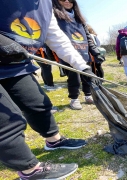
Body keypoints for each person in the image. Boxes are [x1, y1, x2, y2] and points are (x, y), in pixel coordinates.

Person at [0, 0, 100, 179]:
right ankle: (29, 170)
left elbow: (56, 38)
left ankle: (54, 141)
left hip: (16, 64)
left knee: (38, 103)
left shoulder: (46, 4)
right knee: (7, 120)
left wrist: (81, 66)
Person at [52, 0, 105, 110]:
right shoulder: (55, 17)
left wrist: (96, 52)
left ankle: (88, 95)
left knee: (87, 76)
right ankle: (74, 99)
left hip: (83, 53)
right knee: (74, 78)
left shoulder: (80, 19)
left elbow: (88, 37)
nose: (67, 1)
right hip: (68, 54)